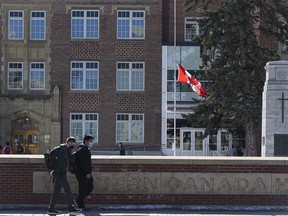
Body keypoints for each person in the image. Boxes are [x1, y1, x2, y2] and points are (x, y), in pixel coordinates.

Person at [48, 136, 82, 214]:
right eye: (73, 143)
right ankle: (71, 207)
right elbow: (61, 162)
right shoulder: (63, 150)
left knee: (56, 191)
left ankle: (51, 208)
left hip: (57, 172)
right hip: (60, 173)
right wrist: (63, 171)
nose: (73, 145)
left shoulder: (64, 149)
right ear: (69, 142)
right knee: (68, 190)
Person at [75, 134, 94, 211]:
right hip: (82, 173)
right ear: (86, 141)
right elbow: (83, 163)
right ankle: (80, 205)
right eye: (90, 141)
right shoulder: (82, 150)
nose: (92, 143)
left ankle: (78, 202)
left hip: (84, 173)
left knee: (89, 187)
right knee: (83, 189)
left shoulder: (85, 149)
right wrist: (87, 173)